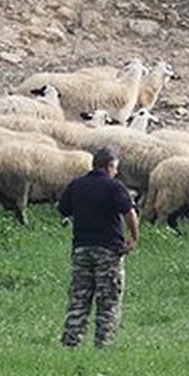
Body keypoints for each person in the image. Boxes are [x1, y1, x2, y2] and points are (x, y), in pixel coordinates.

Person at [56, 145, 138, 347]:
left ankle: (71, 342)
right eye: (115, 167)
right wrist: (134, 237)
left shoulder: (77, 185)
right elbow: (129, 212)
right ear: (109, 166)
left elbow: (63, 210)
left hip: (81, 249)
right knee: (108, 298)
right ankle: (103, 344)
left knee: (79, 297)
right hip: (108, 250)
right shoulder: (114, 186)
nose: (116, 172)